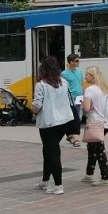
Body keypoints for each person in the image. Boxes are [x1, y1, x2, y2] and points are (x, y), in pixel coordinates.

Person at [31, 56, 74, 194]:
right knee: (48, 150)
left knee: (53, 152)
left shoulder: (41, 85)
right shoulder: (64, 82)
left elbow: (37, 106)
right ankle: (45, 180)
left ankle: (58, 185)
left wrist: (31, 109)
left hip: (49, 123)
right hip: (65, 121)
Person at [80, 65, 108, 186]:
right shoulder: (105, 87)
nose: (85, 77)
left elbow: (86, 108)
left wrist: (83, 103)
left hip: (95, 122)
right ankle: (89, 174)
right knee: (92, 147)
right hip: (106, 122)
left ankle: (105, 177)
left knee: (99, 150)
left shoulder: (90, 89)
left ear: (92, 76)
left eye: (87, 75)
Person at [61, 54, 85, 146]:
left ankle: (71, 135)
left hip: (80, 97)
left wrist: (84, 95)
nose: (79, 62)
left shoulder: (79, 71)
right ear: (70, 62)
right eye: (77, 61)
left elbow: (81, 83)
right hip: (71, 98)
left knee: (78, 118)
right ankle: (74, 137)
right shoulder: (64, 74)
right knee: (73, 118)